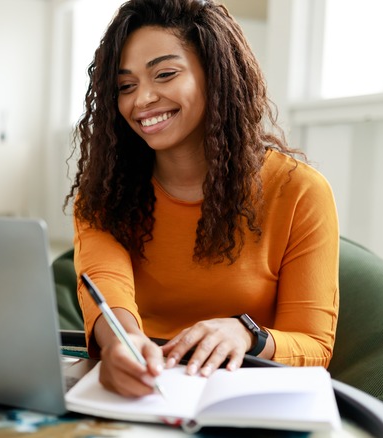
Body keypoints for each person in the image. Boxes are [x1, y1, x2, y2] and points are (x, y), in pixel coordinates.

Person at [65, 0, 339, 398]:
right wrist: (120, 343)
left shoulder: (299, 192)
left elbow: (315, 345)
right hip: (143, 391)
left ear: (216, 75)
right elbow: (107, 283)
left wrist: (248, 335)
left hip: (248, 394)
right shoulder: (106, 191)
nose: (141, 100)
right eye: (126, 86)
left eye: (165, 74)